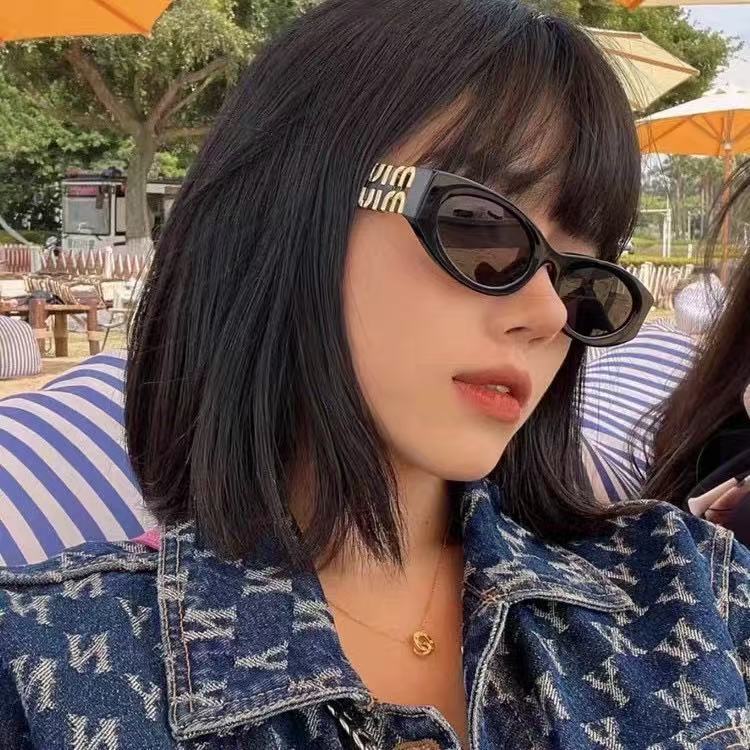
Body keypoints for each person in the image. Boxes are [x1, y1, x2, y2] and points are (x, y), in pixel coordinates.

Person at [1, 2, 749, 749]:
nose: (549, 315)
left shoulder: (685, 588)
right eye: (481, 228)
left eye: (583, 281)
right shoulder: (47, 664)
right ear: (286, 207)